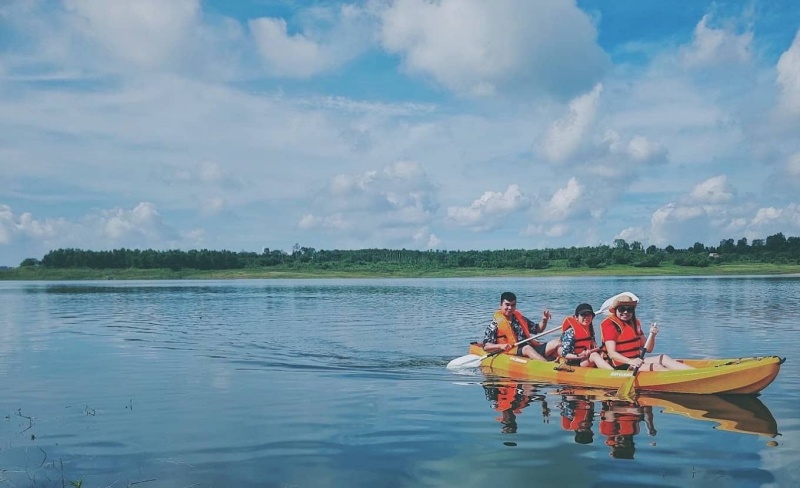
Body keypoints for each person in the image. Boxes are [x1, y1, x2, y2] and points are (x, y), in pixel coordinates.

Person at [600, 294, 693, 371]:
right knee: (656, 367)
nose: (625, 312)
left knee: (663, 358)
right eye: (622, 309)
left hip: (636, 361)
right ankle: (680, 379)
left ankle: (696, 374)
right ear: (616, 310)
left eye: (629, 309)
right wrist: (630, 361)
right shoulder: (610, 325)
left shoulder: (635, 323)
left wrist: (652, 335)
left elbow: (648, 349)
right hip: (621, 365)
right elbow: (612, 354)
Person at [483, 291, 560, 361]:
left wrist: (544, 320)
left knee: (557, 342)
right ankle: (548, 366)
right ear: (500, 305)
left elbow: (538, 329)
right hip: (512, 351)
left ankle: (568, 361)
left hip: (530, 348)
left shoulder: (520, 318)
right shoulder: (494, 325)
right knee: (527, 348)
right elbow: (486, 347)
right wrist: (500, 346)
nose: (510, 308)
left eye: (513, 305)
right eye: (507, 305)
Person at [559, 303, 613, 369]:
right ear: (576, 317)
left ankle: (610, 372)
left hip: (585, 359)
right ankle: (614, 374)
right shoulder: (570, 332)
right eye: (583, 315)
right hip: (574, 361)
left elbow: (594, 346)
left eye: (589, 315)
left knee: (604, 353)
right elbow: (565, 354)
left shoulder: (590, 330)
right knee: (594, 355)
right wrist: (580, 355)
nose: (586, 317)